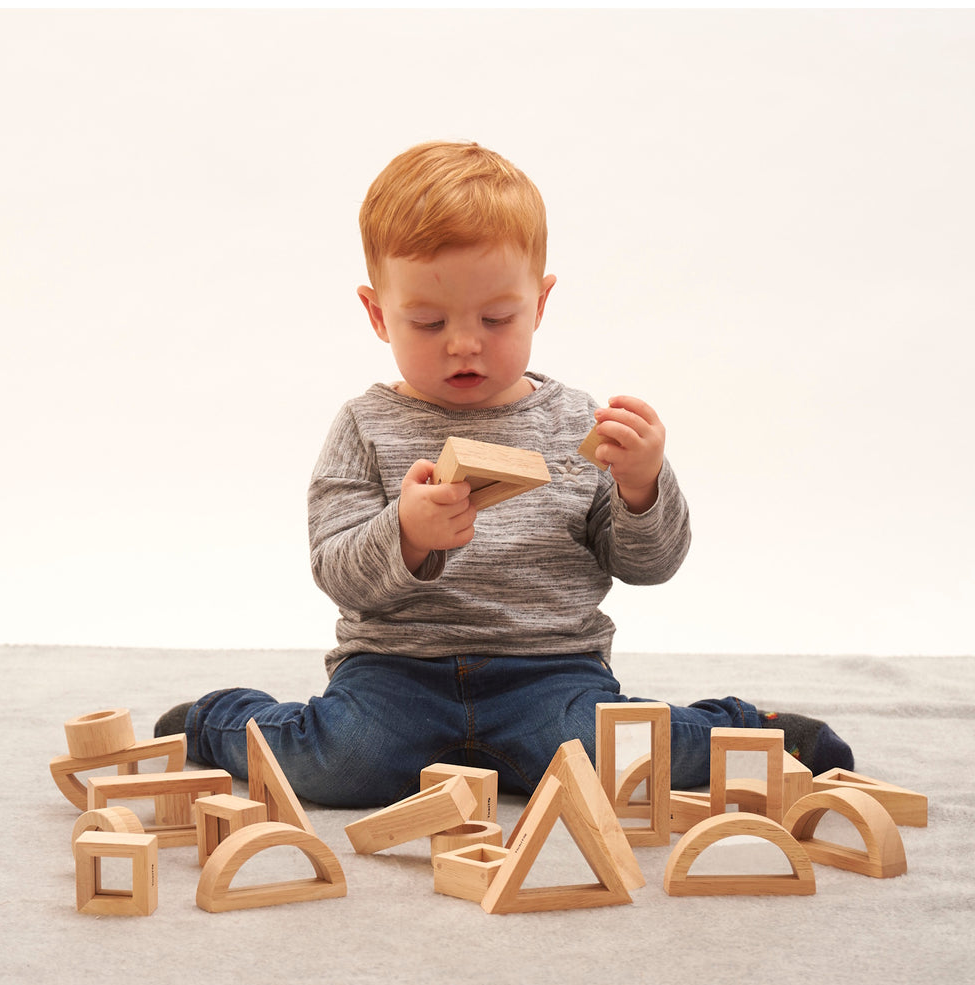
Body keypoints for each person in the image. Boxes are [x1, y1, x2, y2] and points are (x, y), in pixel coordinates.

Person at [155, 140, 853, 807]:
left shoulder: (575, 420)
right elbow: (336, 570)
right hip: (396, 673)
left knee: (612, 759)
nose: (465, 344)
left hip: (550, 675)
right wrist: (406, 535)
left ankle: (747, 732)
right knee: (341, 760)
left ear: (540, 304)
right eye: (428, 323)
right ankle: (217, 720)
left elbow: (649, 566)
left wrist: (642, 487)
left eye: (496, 318)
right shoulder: (364, 425)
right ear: (377, 314)